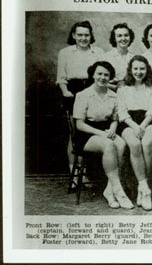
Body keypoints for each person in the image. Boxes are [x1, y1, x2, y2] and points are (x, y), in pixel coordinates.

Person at [73, 61, 133, 209]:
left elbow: (114, 119)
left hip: (106, 130)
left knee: (121, 144)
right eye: (99, 73)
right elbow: (79, 124)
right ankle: (119, 192)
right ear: (93, 75)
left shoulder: (114, 96)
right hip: (87, 133)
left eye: (106, 75)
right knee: (109, 145)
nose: (102, 77)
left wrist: (112, 130)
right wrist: (102, 134)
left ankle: (109, 190)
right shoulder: (83, 95)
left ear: (110, 77)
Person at [57, 20, 104, 184]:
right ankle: (75, 175)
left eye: (87, 35)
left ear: (91, 36)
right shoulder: (65, 52)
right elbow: (61, 79)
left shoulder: (98, 52)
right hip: (73, 92)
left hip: (93, 91)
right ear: (74, 35)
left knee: (92, 130)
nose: (83, 38)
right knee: (75, 134)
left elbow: (102, 73)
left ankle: (89, 173)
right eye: (80, 35)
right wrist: (67, 94)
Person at [117, 55, 152, 211]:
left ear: (147, 69)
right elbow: (122, 112)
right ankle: (145, 188)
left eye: (142, 68)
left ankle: (143, 189)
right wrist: (135, 126)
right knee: (134, 144)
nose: (139, 72)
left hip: (147, 121)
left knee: (147, 144)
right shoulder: (123, 89)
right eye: (136, 69)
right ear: (130, 70)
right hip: (129, 122)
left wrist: (142, 125)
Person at [104, 23, 135, 91]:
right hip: (110, 91)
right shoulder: (106, 57)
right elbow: (99, 81)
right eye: (119, 36)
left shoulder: (134, 58)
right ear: (114, 38)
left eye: (126, 35)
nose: (123, 38)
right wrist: (116, 88)